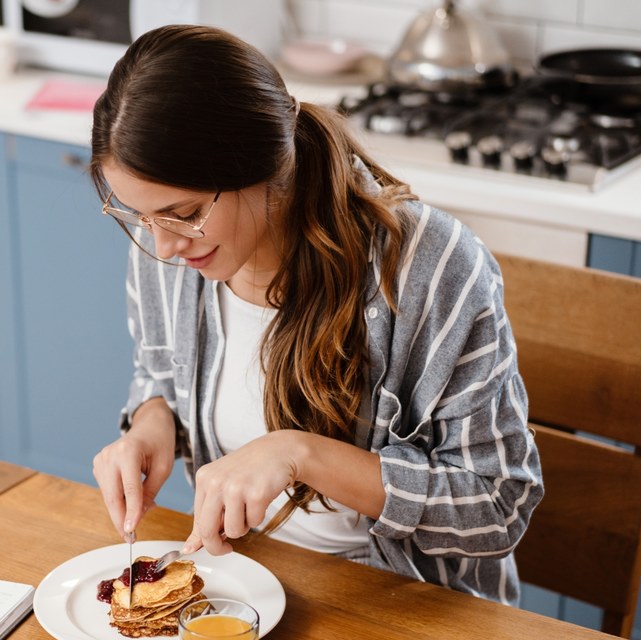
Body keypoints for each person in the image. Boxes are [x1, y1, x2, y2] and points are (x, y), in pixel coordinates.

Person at [89, 24, 542, 605]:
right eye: (138, 217)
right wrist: (152, 421)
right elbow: (160, 371)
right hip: (246, 587)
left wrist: (300, 453)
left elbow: (497, 507)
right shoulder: (169, 247)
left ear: (262, 165)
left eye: (185, 213)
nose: (163, 247)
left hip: (403, 607)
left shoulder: (430, 268)